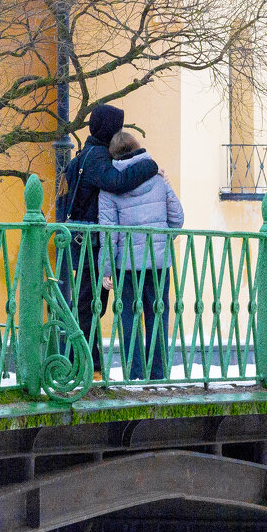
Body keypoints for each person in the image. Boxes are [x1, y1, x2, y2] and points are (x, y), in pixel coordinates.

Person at [57, 105, 159, 379]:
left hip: (85, 239)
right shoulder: (97, 157)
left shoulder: (85, 154)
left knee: (90, 304)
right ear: (109, 129)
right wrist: (149, 165)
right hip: (92, 243)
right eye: (117, 127)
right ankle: (86, 368)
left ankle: (81, 365)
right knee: (89, 305)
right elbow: (117, 181)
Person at [97, 130, 183, 381]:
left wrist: (107, 270)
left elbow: (109, 235)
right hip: (158, 264)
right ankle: (158, 374)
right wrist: (161, 242)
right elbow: (177, 218)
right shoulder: (157, 180)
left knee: (129, 318)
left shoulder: (110, 188)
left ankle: (134, 375)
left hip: (127, 266)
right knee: (158, 314)